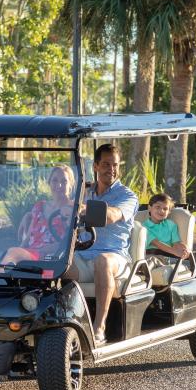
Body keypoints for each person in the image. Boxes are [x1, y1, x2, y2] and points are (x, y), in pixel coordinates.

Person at [65, 144, 137, 346]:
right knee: (56, 264)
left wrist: (85, 209)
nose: (111, 169)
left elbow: (113, 215)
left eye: (115, 165)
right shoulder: (83, 192)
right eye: (106, 164)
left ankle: (99, 327)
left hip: (115, 256)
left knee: (103, 262)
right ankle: (58, 322)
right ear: (95, 166)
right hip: (84, 254)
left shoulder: (127, 196)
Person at [3, 165, 75, 264]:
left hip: (52, 258)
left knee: (12, 255)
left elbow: (68, 243)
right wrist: (18, 249)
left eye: (64, 181)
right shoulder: (40, 206)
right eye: (55, 180)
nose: (59, 185)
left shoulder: (73, 209)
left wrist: (41, 251)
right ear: (49, 182)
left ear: (70, 184)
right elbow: (27, 239)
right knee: (9, 255)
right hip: (31, 255)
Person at [143, 193, 190, 262]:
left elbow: (176, 243)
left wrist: (184, 249)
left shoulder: (171, 225)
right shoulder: (143, 227)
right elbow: (156, 243)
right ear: (149, 208)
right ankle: (145, 268)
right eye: (157, 207)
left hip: (166, 258)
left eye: (165, 209)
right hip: (149, 255)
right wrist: (174, 251)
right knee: (151, 261)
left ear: (169, 212)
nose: (161, 211)